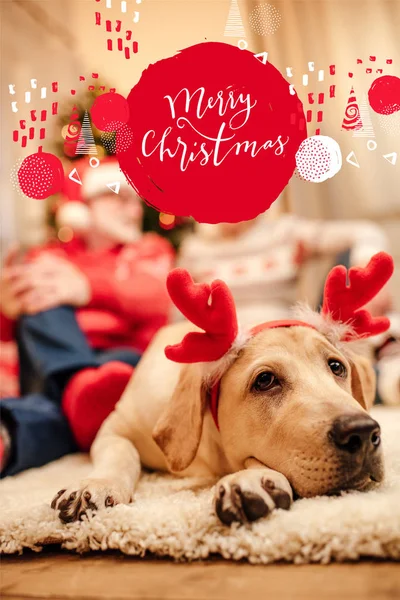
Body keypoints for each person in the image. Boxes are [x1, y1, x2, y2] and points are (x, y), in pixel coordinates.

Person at [0, 157, 174, 477]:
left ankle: (9, 437)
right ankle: (77, 387)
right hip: (48, 372)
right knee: (43, 294)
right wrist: (5, 309)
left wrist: (87, 287)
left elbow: (158, 296)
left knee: (61, 410)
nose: (134, 211)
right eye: (119, 197)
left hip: (121, 367)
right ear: (81, 207)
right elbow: (14, 333)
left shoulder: (149, 249)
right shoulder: (49, 258)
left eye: (136, 201)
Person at [177, 212, 400, 404]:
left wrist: (364, 264)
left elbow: (366, 232)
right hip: (232, 350)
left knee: (351, 309)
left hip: (290, 335)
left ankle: (390, 372)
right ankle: (379, 378)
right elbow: (178, 319)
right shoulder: (194, 250)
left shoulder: (285, 233)